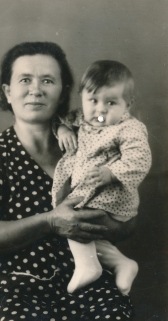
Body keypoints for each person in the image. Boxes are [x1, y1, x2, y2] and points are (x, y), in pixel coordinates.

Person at [0, 42, 136, 321]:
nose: (36, 89)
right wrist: (49, 221)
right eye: (25, 80)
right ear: (7, 92)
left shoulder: (90, 144)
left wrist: (106, 222)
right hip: (16, 285)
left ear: (62, 93)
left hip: (90, 282)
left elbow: (128, 222)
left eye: (48, 80)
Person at [52, 60, 151, 294]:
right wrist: (64, 130)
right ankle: (121, 263)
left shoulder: (128, 128)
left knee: (72, 217)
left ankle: (87, 267)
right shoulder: (81, 118)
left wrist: (110, 173)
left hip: (110, 195)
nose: (100, 110)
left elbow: (140, 159)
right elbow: (60, 120)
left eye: (111, 102)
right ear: (82, 99)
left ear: (128, 104)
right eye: (93, 101)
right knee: (87, 232)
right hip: (91, 191)